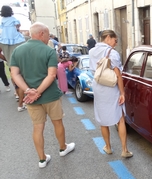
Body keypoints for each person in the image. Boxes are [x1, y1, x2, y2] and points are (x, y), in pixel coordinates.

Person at [10, 22, 75, 168]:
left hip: (31, 99)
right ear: (41, 34)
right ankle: (63, 148)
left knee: (37, 127)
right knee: (57, 122)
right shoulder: (48, 51)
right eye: (47, 34)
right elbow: (52, 75)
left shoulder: (17, 51)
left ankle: (42, 159)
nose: (48, 37)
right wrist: (38, 92)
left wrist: (28, 91)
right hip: (50, 95)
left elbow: (15, 74)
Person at [89, 30, 132, 157]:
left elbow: (93, 69)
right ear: (108, 38)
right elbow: (118, 75)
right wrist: (122, 93)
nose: (116, 43)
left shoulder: (91, 51)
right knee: (120, 118)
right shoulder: (112, 53)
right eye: (115, 40)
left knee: (103, 120)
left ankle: (108, 147)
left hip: (98, 86)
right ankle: (124, 150)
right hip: (111, 87)